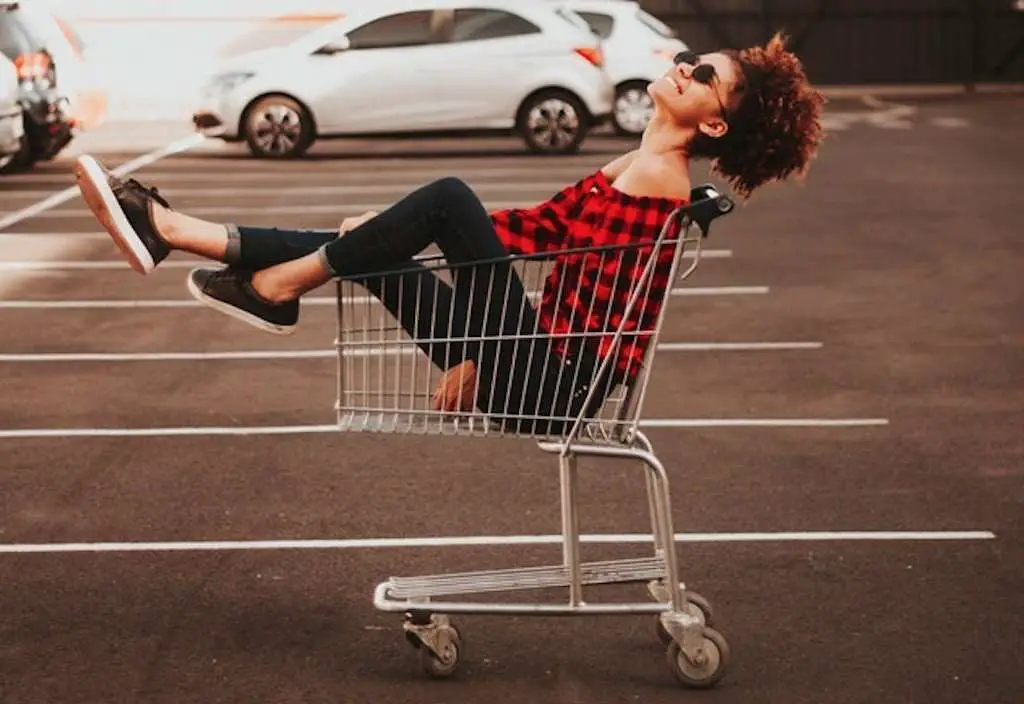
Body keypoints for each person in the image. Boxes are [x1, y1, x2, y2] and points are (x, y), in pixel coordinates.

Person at [74, 34, 824, 431]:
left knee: (446, 197)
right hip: (531, 365)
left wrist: (484, 360)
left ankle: (277, 283)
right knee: (379, 246)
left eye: (704, 77)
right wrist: (396, 233)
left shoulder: (659, 183)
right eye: (693, 61)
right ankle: (172, 229)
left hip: (553, 383)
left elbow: (603, 316)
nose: (686, 69)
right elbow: (540, 231)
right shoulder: (637, 160)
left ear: (714, 122)